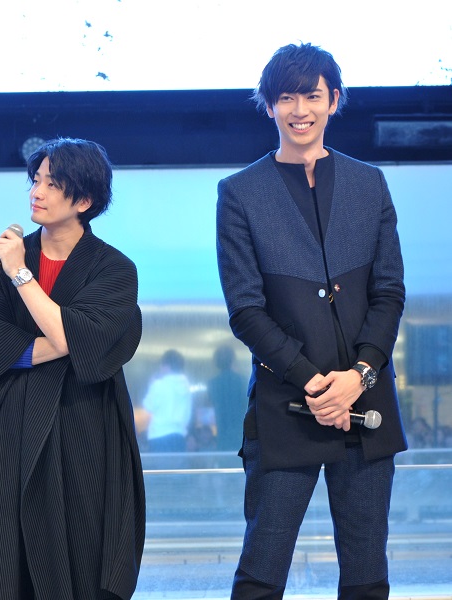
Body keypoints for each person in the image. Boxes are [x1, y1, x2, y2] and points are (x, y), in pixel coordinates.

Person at [216, 43, 407, 599]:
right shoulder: (240, 193)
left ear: (334, 100)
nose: (300, 110)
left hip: (367, 404)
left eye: (312, 96)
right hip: (285, 407)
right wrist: (317, 385)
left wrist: (360, 376)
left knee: (367, 576)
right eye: (286, 98)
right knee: (261, 574)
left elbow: (389, 293)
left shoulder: (370, 183)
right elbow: (245, 310)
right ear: (269, 105)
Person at [0, 137, 145, 599]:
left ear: (83, 201)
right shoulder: (2, 259)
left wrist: (22, 277)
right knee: (7, 549)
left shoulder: (114, 269)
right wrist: (68, 339)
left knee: (84, 542)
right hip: (15, 422)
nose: (36, 192)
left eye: (52, 184)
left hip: (84, 420)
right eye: (36, 180)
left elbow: (76, 337)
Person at [142, 349, 192, 452]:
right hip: (179, 435)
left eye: (161, 365)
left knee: (160, 462)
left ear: (167, 366)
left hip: (159, 435)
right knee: (177, 462)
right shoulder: (186, 387)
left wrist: (151, 384)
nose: (160, 368)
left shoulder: (159, 385)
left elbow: (148, 406)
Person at [207, 345, 247, 452]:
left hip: (222, 431)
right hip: (240, 431)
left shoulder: (212, 383)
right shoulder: (242, 380)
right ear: (232, 360)